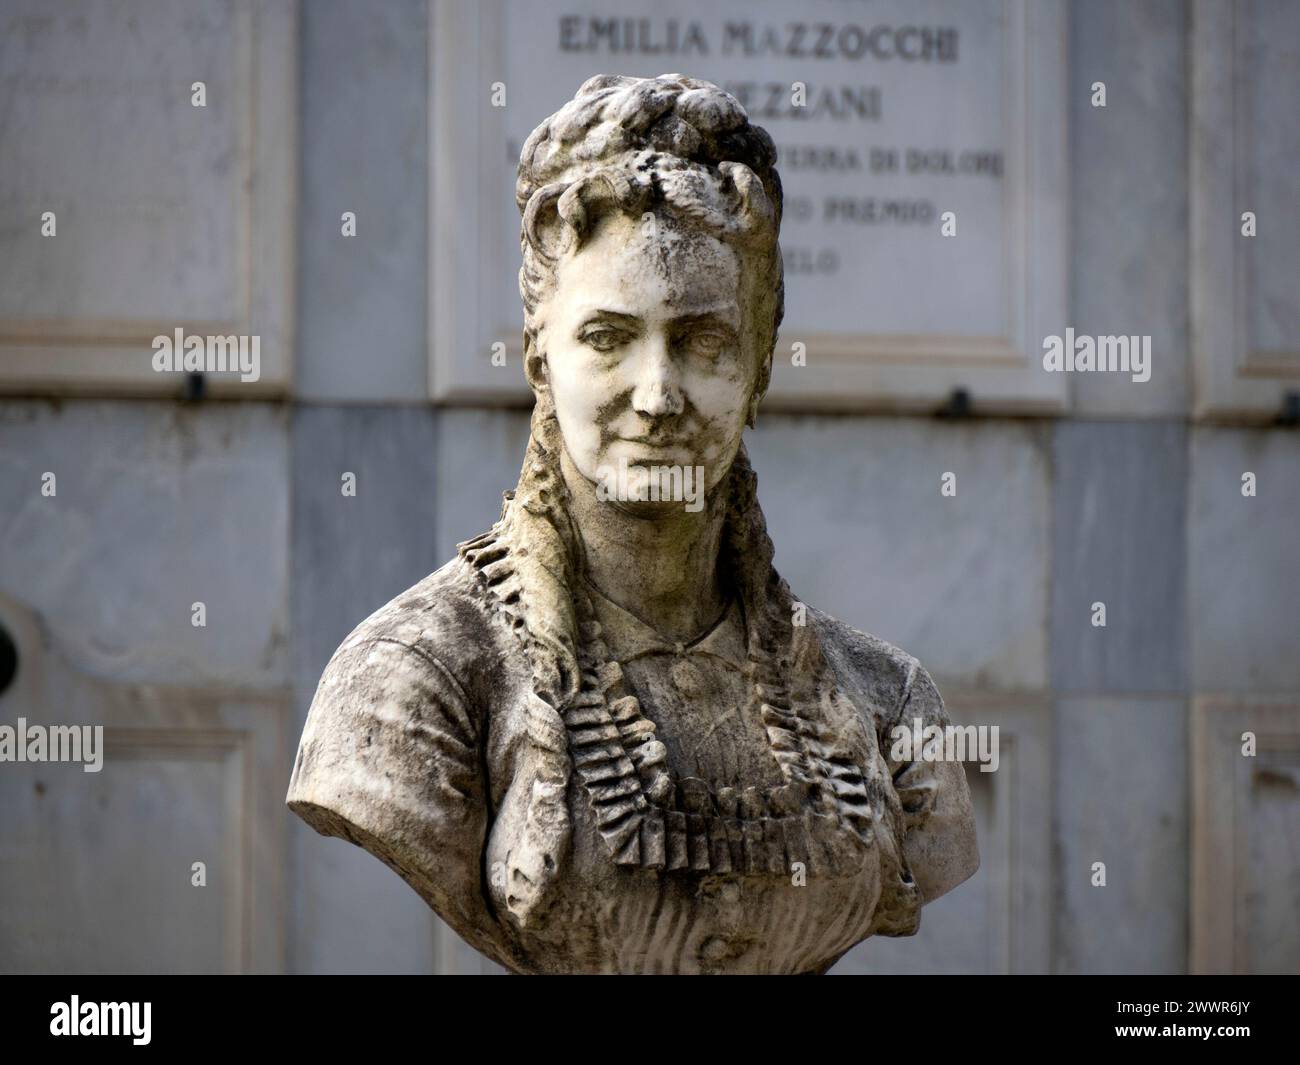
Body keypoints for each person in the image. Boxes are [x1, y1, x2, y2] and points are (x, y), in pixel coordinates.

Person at [287, 73, 978, 974]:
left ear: (760, 358)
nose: (658, 396)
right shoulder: (407, 684)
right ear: (540, 350)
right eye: (609, 338)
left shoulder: (888, 701)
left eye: (703, 342)